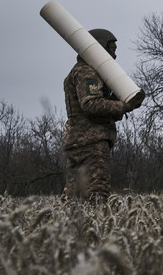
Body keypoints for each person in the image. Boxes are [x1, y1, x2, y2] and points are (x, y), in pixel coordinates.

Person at [63, 28, 144, 202]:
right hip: (91, 142)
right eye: (111, 47)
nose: (114, 53)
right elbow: (91, 105)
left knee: (74, 196)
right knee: (96, 193)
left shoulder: (80, 70)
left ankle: (68, 228)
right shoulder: (87, 72)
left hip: (78, 141)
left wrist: (118, 99)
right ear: (99, 47)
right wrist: (124, 105)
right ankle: (94, 227)